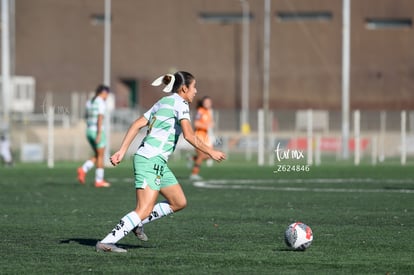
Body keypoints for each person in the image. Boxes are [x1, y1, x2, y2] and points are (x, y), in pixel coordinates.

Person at [95, 71, 226, 253]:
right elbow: (188, 135)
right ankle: (107, 242)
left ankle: (137, 223)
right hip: (150, 159)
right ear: (184, 88)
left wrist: (122, 150)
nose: (195, 91)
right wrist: (211, 151)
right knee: (144, 208)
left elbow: (136, 124)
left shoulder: (163, 101)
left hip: (156, 161)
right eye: (194, 87)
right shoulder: (181, 104)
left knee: (178, 201)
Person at [77, 84, 111, 188]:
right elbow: (100, 118)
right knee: (101, 155)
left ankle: (83, 169)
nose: (107, 96)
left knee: (97, 154)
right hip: (97, 131)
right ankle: (99, 180)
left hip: (89, 131)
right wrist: (99, 133)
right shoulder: (101, 102)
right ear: (103, 93)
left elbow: (86, 116)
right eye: (107, 94)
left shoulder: (90, 102)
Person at [189, 96, 214, 180]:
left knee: (209, 155)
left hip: (205, 137)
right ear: (203, 103)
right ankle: (194, 173)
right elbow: (196, 124)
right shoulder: (200, 111)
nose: (208, 104)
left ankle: (191, 158)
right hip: (199, 136)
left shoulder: (208, 112)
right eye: (206, 102)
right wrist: (207, 125)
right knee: (202, 155)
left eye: (209, 102)